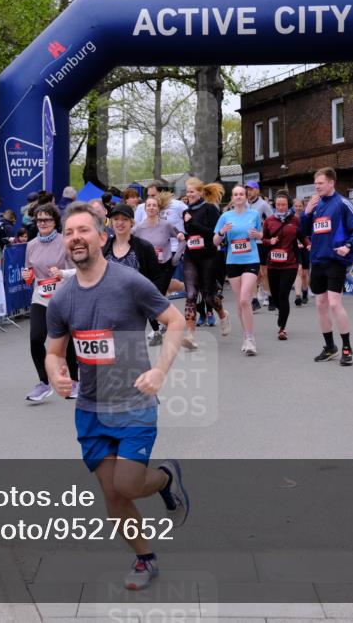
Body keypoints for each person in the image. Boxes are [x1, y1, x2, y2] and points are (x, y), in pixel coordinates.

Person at [45, 202, 190, 591]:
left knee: (126, 485)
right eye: (69, 232)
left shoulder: (129, 282)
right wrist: (55, 374)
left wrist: (159, 370)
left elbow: (175, 323)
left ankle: (162, 478)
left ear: (102, 237)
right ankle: (145, 558)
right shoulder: (61, 299)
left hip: (133, 403)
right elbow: (54, 351)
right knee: (112, 493)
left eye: (84, 230)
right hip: (90, 408)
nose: (76, 237)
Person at [298, 167, 353, 366]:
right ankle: (330, 347)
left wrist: (348, 246)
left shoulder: (343, 204)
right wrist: (307, 212)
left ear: (331, 183)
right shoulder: (316, 205)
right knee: (320, 304)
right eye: (315, 183)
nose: (316, 187)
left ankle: (347, 347)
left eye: (320, 183)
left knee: (335, 303)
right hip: (317, 260)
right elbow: (303, 232)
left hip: (336, 260)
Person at [23, 203, 79, 403]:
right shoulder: (31, 245)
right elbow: (29, 272)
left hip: (63, 297)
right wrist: (27, 276)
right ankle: (44, 383)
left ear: (55, 222)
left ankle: (75, 381)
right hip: (40, 297)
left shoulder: (65, 242)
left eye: (46, 219)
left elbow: (79, 270)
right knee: (36, 339)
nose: (42, 223)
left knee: (68, 341)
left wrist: (62, 273)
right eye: (39, 220)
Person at [213, 184, 264, 356]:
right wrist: (221, 232)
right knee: (239, 302)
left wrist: (257, 236)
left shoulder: (254, 215)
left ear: (246, 196)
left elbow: (261, 235)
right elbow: (214, 242)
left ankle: (250, 338)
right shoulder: (225, 216)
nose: (239, 197)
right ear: (232, 198)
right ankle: (246, 335)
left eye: (242, 194)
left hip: (251, 259)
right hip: (233, 261)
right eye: (236, 194)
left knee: (244, 299)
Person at [181, 177, 230, 349]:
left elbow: (212, 234)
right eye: (187, 191)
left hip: (208, 256)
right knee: (191, 294)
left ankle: (222, 314)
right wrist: (184, 236)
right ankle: (190, 335)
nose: (189, 194)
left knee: (209, 297)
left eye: (192, 191)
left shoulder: (210, 209)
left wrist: (191, 223)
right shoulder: (186, 212)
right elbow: (191, 234)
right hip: (190, 256)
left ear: (200, 192)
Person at [134, 194, 185, 345]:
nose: (151, 208)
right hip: (146, 268)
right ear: (144, 209)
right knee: (148, 298)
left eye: (154, 205)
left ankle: (165, 325)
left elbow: (182, 240)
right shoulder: (138, 228)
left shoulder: (166, 225)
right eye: (148, 205)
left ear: (158, 209)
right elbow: (132, 247)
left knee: (156, 296)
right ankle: (158, 329)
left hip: (164, 266)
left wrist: (176, 259)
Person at [262, 191, 303, 341]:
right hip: (273, 264)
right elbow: (263, 239)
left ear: (288, 205)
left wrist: (309, 245)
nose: (280, 207)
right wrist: (269, 242)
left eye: (284, 205)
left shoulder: (295, 220)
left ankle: (282, 328)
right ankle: (282, 313)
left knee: (283, 295)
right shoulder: (269, 221)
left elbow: (302, 236)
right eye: (278, 204)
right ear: (275, 205)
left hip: (290, 264)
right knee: (276, 295)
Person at [244, 180, 273, 312]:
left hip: (261, 243)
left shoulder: (264, 205)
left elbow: (272, 222)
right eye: (247, 189)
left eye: (251, 189)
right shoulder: (244, 204)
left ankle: (269, 296)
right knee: (252, 273)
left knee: (264, 272)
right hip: (248, 243)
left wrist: (263, 229)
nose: (248, 192)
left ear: (257, 190)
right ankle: (254, 299)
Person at [292, 198, 311, 306]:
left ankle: (305, 292)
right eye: (296, 206)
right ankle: (298, 295)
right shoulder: (290, 218)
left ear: (303, 207)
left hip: (305, 246)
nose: (298, 208)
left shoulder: (306, 217)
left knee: (304, 273)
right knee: (298, 270)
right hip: (295, 247)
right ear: (293, 207)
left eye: (300, 206)